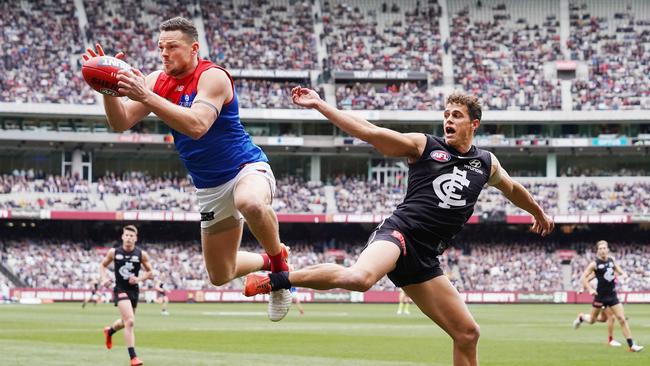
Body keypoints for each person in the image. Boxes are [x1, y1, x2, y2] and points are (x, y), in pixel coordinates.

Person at [244, 88, 555, 366]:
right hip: (399, 234)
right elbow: (370, 132)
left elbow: (513, 189)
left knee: (467, 333)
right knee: (361, 278)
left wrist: (538, 212)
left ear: (473, 124)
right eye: (446, 114)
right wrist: (321, 105)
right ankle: (275, 280)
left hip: (426, 258)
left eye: (457, 116)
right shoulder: (424, 146)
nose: (448, 120)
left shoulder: (486, 163)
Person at [81, 16, 291, 321]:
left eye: (172, 47)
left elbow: (197, 126)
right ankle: (270, 258)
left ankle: (281, 273)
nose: (164, 53)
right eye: (160, 47)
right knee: (221, 274)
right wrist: (107, 89)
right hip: (209, 188)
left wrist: (147, 96)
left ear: (194, 48)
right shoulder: (155, 81)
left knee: (250, 203)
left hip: (246, 168)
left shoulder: (212, 77)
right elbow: (120, 122)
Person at [572, 240, 643, 352]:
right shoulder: (594, 264)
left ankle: (631, 345)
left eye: (604, 248)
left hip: (612, 295)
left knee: (622, 319)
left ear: (608, 250)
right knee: (592, 320)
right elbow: (584, 278)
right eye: (600, 248)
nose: (603, 250)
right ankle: (582, 317)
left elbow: (619, 270)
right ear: (597, 251)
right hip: (600, 296)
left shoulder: (611, 260)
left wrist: (624, 275)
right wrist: (589, 289)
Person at [99, 225, 153, 366]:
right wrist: (104, 279)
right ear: (122, 237)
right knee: (130, 321)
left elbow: (150, 272)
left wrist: (139, 279)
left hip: (134, 291)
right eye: (126, 235)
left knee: (125, 322)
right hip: (120, 289)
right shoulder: (114, 252)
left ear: (135, 238)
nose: (129, 238)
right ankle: (133, 357)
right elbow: (102, 265)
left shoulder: (141, 254)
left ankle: (109, 331)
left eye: (131, 236)